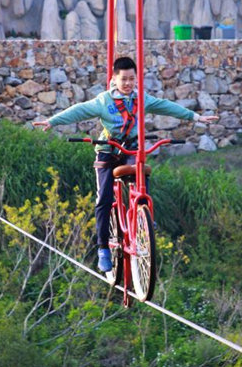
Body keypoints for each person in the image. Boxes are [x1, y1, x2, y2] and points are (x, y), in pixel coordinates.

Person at [33, 57, 218, 272]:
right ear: (114, 79)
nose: (128, 83)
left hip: (131, 148)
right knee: (104, 198)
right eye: (124, 79)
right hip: (108, 150)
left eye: (132, 79)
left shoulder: (141, 99)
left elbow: (166, 107)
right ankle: (103, 248)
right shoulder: (104, 101)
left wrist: (195, 117)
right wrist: (52, 121)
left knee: (141, 173)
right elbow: (79, 110)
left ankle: (143, 217)